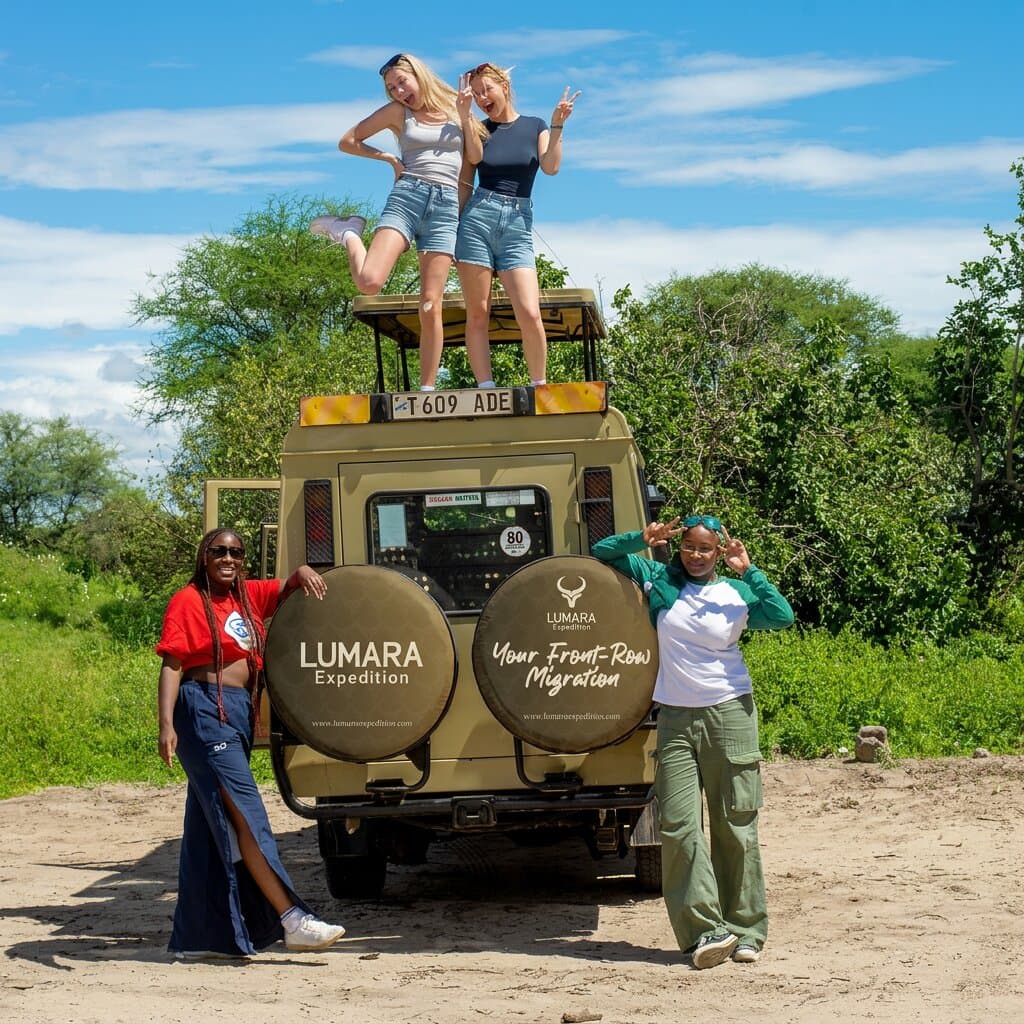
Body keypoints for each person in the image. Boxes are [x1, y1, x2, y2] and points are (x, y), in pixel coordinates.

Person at [592, 514, 794, 969]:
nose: (696, 555)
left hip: (730, 712)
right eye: (689, 547)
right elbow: (603, 553)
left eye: (706, 549)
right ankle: (706, 931)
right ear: (679, 547)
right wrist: (640, 539)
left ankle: (746, 930)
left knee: (734, 825)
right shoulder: (660, 578)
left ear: (718, 553)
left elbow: (782, 615)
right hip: (676, 719)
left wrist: (750, 570)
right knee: (679, 827)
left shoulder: (736, 594)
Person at [156, 528, 346, 960]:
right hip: (204, 709)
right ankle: (292, 920)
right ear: (204, 556)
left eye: (236, 552)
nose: (228, 558)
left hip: (236, 715)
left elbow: (289, 583)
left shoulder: (247, 595)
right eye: (219, 551)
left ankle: (204, 936)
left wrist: (302, 569)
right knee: (247, 815)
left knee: (210, 826)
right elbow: (171, 664)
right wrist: (166, 725)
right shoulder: (188, 600)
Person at [310, 53, 486, 391]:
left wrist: (465, 115)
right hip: (407, 197)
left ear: (417, 75)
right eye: (391, 88)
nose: (398, 92)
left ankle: (427, 389)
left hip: (446, 207)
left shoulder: (455, 104)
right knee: (370, 282)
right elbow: (348, 140)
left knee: (431, 303)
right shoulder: (398, 113)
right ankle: (348, 232)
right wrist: (389, 157)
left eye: (401, 83)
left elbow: (474, 159)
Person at [455, 63, 580, 388]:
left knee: (529, 310)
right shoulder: (478, 127)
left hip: (517, 224)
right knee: (478, 312)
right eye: (477, 93)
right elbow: (467, 175)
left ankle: (539, 384)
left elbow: (550, 167)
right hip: (476, 220)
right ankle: (486, 387)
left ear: (504, 86)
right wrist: (466, 116)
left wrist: (557, 125)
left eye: (487, 90)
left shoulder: (535, 125)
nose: (483, 98)